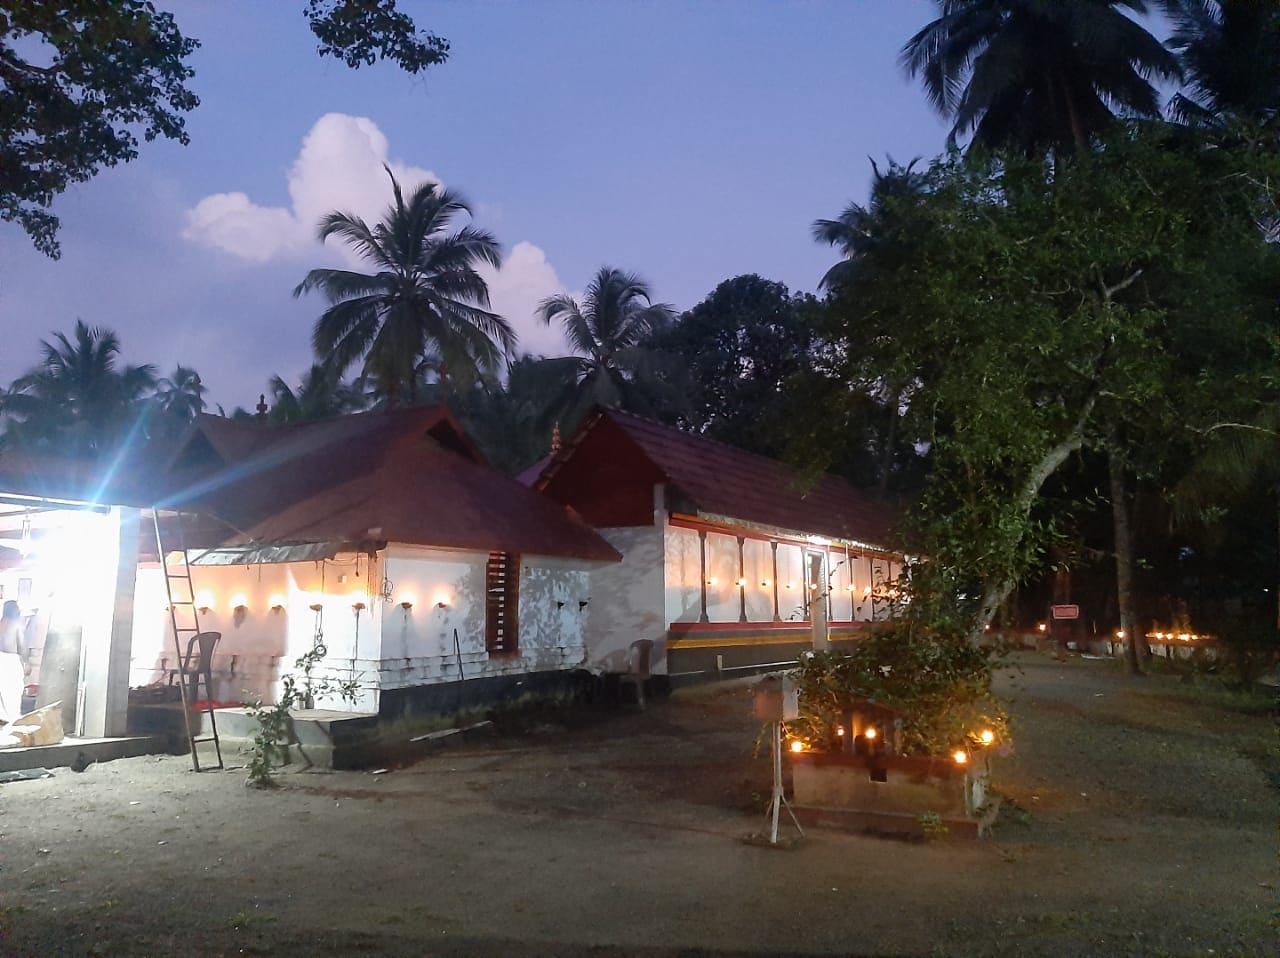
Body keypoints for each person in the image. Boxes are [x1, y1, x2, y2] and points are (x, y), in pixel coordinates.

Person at [0, 600, 28, 724]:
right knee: (13, 694)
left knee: (3, 697)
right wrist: (26, 662)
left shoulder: (0, 624)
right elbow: (22, 646)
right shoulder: (17, 625)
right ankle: (13, 722)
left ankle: (4, 721)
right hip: (11, 661)